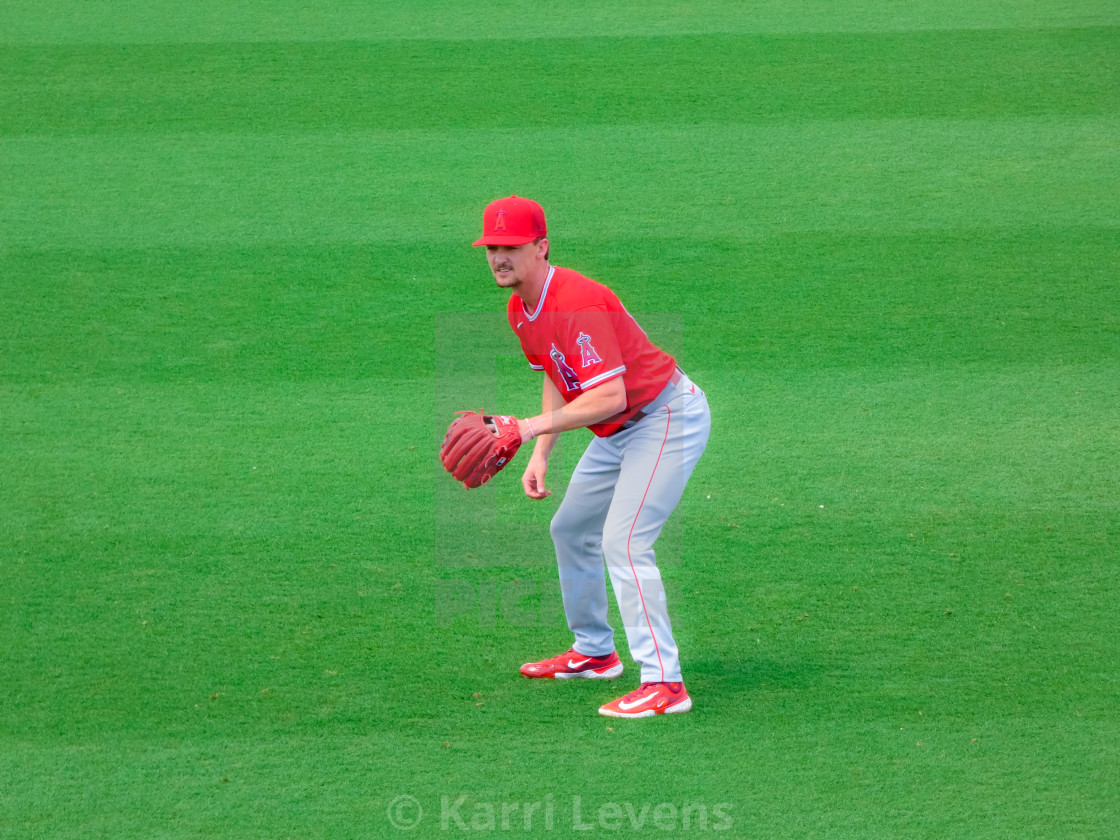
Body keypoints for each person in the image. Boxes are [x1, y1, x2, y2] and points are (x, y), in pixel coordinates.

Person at [472, 195, 711, 718]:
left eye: (510, 246)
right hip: (618, 431)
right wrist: (541, 454)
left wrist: (528, 426)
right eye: (491, 247)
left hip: (665, 418)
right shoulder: (521, 309)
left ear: (541, 246)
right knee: (570, 529)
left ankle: (666, 684)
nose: (498, 257)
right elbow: (559, 380)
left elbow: (611, 397)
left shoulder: (577, 301)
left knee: (624, 542)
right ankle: (596, 653)